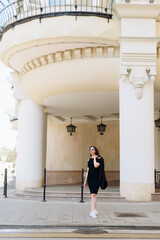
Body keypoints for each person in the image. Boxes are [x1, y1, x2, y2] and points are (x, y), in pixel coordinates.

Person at [84, 146, 103, 218]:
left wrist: (94, 158)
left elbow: (96, 166)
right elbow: (88, 171)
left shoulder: (99, 159)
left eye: (92, 149)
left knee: (94, 195)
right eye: (90, 150)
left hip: (96, 179)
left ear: (95, 150)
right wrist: (85, 181)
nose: (91, 151)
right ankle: (93, 210)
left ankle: (93, 211)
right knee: (93, 195)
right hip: (90, 179)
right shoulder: (88, 160)